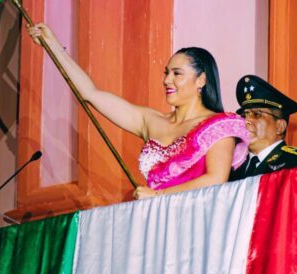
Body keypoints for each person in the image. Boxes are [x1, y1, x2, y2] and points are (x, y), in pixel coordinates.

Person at [27, 23, 250, 199]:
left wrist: (158, 195)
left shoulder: (220, 126)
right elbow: (90, 93)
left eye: (176, 73)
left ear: (201, 80)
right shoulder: (150, 120)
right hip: (152, 220)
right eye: (166, 73)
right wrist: (54, 47)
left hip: (195, 222)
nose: (166, 80)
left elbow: (216, 178)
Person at [229, 75, 297, 181]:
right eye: (244, 115)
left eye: (256, 114)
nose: (246, 121)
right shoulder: (232, 167)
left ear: (279, 127)